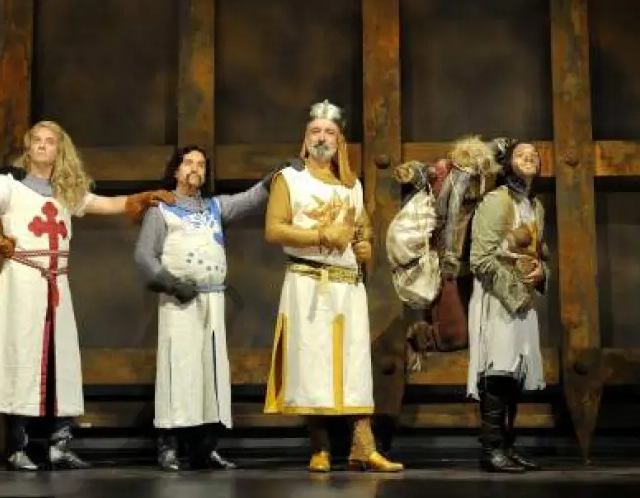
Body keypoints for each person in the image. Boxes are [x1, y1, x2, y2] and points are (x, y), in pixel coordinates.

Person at [0, 120, 175, 471]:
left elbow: (106, 204)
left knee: (61, 361)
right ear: (28, 147)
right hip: (23, 282)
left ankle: (58, 444)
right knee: (22, 357)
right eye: (37, 140)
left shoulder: (65, 192)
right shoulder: (8, 184)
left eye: (50, 141)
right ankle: (17, 446)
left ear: (60, 149)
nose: (43, 145)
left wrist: (142, 197)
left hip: (57, 284)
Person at [133, 145, 301, 471]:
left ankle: (205, 448)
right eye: (188, 163)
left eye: (201, 164)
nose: (195, 168)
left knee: (211, 373)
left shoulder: (214, 207)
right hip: (179, 303)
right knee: (179, 370)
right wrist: (171, 284)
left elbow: (250, 199)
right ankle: (169, 446)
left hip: (212, 300)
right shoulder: (162, 209)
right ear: (176, 170)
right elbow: (143, 256)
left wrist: (274, 177)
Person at [261, 100, 403, 473]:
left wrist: (365, 245)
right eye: (315, 131)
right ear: (305, 139)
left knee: (354, 365)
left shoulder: (350, 185)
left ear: (339, 140)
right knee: (313, 365)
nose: (322, 137)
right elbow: (273, 229)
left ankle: (363, 446)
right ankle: (320, 447)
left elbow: (363, 228)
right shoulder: (289, 179)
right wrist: (321, 234)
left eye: (329, 132)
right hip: (308, 282)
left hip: (348, 286)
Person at [467, 138, 548, 474]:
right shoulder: (496, 201)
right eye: (521, 154)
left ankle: (508, 446)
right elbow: (480, 259)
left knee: (516, 373)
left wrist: (542, 272)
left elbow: (540, 252)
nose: (529, 157)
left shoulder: (535, 206)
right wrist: (513, 290)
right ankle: (491, 449)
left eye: (534, 155)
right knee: (498, 370)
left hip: (522, 299)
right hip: (497, 297)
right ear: (507, 163)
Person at [393, 137, 502, 365]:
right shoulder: (446, 173)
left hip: (478, 261)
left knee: (479, 329)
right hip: (447, 262)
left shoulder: (488, 179)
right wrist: (412, 172)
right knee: (454, 333)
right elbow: (424, 174)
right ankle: (421, 336)